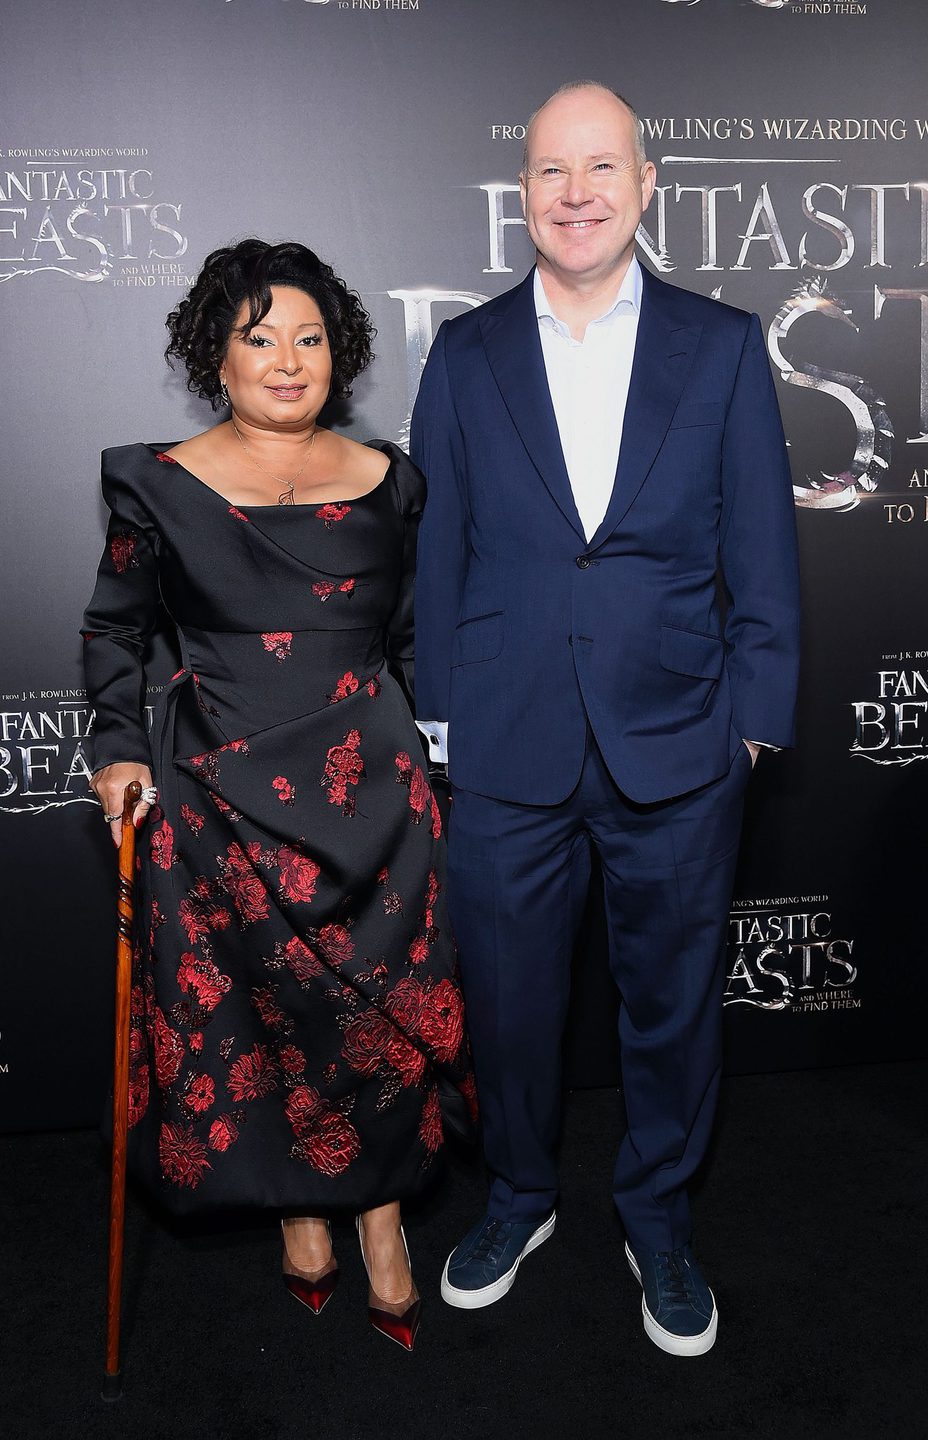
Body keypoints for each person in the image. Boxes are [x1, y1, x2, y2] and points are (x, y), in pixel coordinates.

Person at [410, 82, 799, 1356]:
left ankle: (660, 1220)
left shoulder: (726, 344)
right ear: (520, 195)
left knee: (673, 1004)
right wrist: (446, 726)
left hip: (681, 743)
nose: (575, 193)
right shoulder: (465, 354)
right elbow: (443, 555)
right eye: (549, 172)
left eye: (600, 169)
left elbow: (764, 550)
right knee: (510, 1007)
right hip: (507, 748)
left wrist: (751, 725)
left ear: (644, 188)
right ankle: (519, 1196)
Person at [82, 239, 474, 1352]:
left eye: (309, 338)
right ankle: (303, 1214)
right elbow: (116, 629)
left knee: (380, 1018)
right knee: (270, 1010)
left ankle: (384, 1224)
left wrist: (447, 760)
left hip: (377, 792)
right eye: (260, 339)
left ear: (337, 355)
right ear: (219, 356)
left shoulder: (392, 482)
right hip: (220, 787)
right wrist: (117, 748)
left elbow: (412, 642)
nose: (287, 360)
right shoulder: (154, 481)